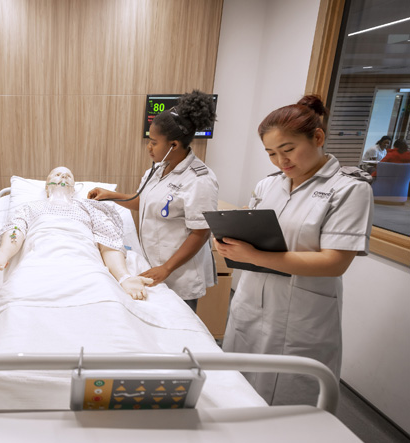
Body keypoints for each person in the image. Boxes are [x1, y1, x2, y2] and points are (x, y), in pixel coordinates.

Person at [215, 95, 373, 406]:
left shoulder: (349, 190)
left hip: (301, 315)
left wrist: (254, 256)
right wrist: (231, 241)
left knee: (289, 404)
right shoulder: (268, 185)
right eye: (271, 153)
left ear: (318, 137)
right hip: (250, 303)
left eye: (288, 150)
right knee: (238, 392)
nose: (281, 161)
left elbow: (334, 262)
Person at [88, 90, 219, 311]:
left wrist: (166, 268)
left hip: (179, 273)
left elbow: (201, 232)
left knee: (178, 325)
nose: (149, 147)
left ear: (174, 145)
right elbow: (143, 201)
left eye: (154, 142)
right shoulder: (160, 168)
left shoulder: (199, 180)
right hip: (153, 265)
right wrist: (110, 195)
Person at [0, 167, 154, 300]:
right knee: (22, 294)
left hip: (84, 263)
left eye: (68, 175)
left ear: (74, 187)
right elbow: (16, 230)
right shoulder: (30, 207)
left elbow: (109, 242)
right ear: (47, 186)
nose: (62, 176)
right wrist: (3, 254)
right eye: (56, 174)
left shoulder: (90, 208)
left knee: (102, 295)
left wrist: (124, 277)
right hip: (38, 262)